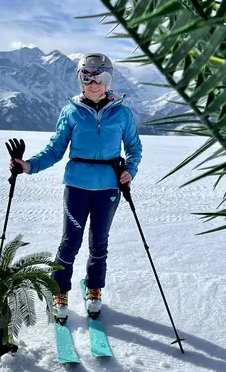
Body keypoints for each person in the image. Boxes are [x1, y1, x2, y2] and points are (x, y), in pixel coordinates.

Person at [10, 53, 142, 321]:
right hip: (77, 187)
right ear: (80, 79)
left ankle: (94, 289)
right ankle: (59, 290)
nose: (93, 84)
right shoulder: (71, 111)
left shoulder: (122, 113)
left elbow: (134, 148)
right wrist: (28, 166)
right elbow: (55, 149)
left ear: (109, 80)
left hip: (108, 189)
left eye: (100, 78)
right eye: (86, 77)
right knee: (70, 242)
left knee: (99, 243)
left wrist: (130, 170)